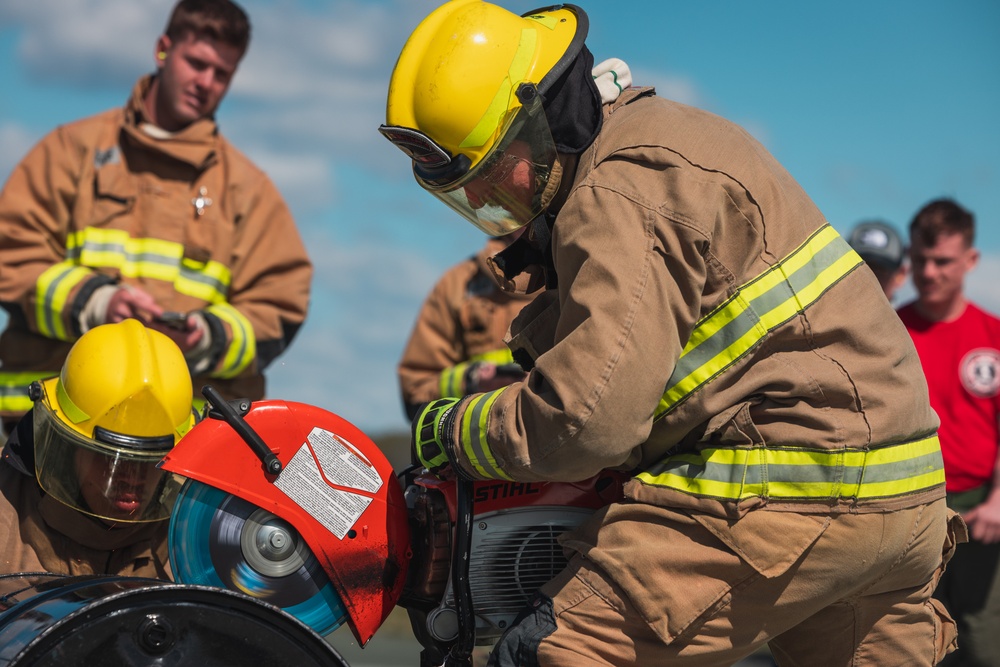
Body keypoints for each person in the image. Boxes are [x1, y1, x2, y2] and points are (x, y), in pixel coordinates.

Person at [379, 2, 964, 665]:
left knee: (550, 651)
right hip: (900, 493)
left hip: (792, 488)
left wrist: (459, 432)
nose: (487, 200)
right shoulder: (666, 138)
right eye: (465, 190)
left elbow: (586, 423)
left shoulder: (615, 191)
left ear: (540, 115)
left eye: (489, 170)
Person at [0, 0, 312, 437]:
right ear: (163, 49)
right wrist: (97, 303)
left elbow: (280, 306)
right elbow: (11, 256)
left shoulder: (249, 191)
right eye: (196, 63)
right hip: (50, 430)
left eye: (221, 74)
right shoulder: (71, 152)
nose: (206, 82)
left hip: (178, 447)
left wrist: (206, 337)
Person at [0, 319, 195, 579]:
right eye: (108, 455)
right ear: (66, 448)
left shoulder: (199, 538)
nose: (132, 476)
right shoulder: (6, 509)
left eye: (152, 460)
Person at [897, 198, 1000, 666]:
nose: (930, 271)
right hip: (911, 509)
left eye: (942, 261)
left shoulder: (992, 335)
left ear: (970, 261)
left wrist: (997, 503)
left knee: (980, 639)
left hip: (982, 513)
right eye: (920, 260)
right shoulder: (890, 332)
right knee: (910, 641)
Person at [398, 235, 532, 421]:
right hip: (485, 439)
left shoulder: (579, 274)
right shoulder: (457, 284)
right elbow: (416, 392)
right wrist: (471, 380)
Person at [848, 220, 908, 302]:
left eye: (880, 269)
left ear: (901, 274)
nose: (870, 277)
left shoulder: (906, 314)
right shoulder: (828, 313)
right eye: (860, 268)